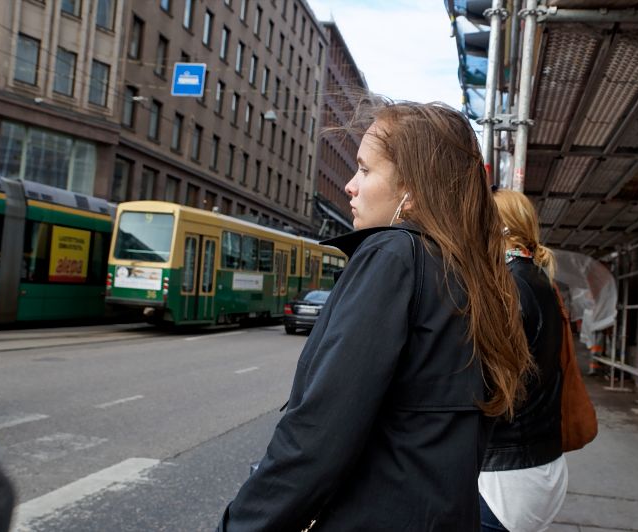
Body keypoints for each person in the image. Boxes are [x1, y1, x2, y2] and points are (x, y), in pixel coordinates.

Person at [217, 101, 532, 531]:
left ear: (414, 189)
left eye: (364, 170)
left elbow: (319, 433)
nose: (350, 185)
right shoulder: (475, 274)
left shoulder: (393, 256)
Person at [478, 189, 567, 532]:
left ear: (497, 227)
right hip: (540, 465)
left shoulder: (508, 288)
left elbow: (483, 383)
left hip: (505, 477)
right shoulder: (541, 282)